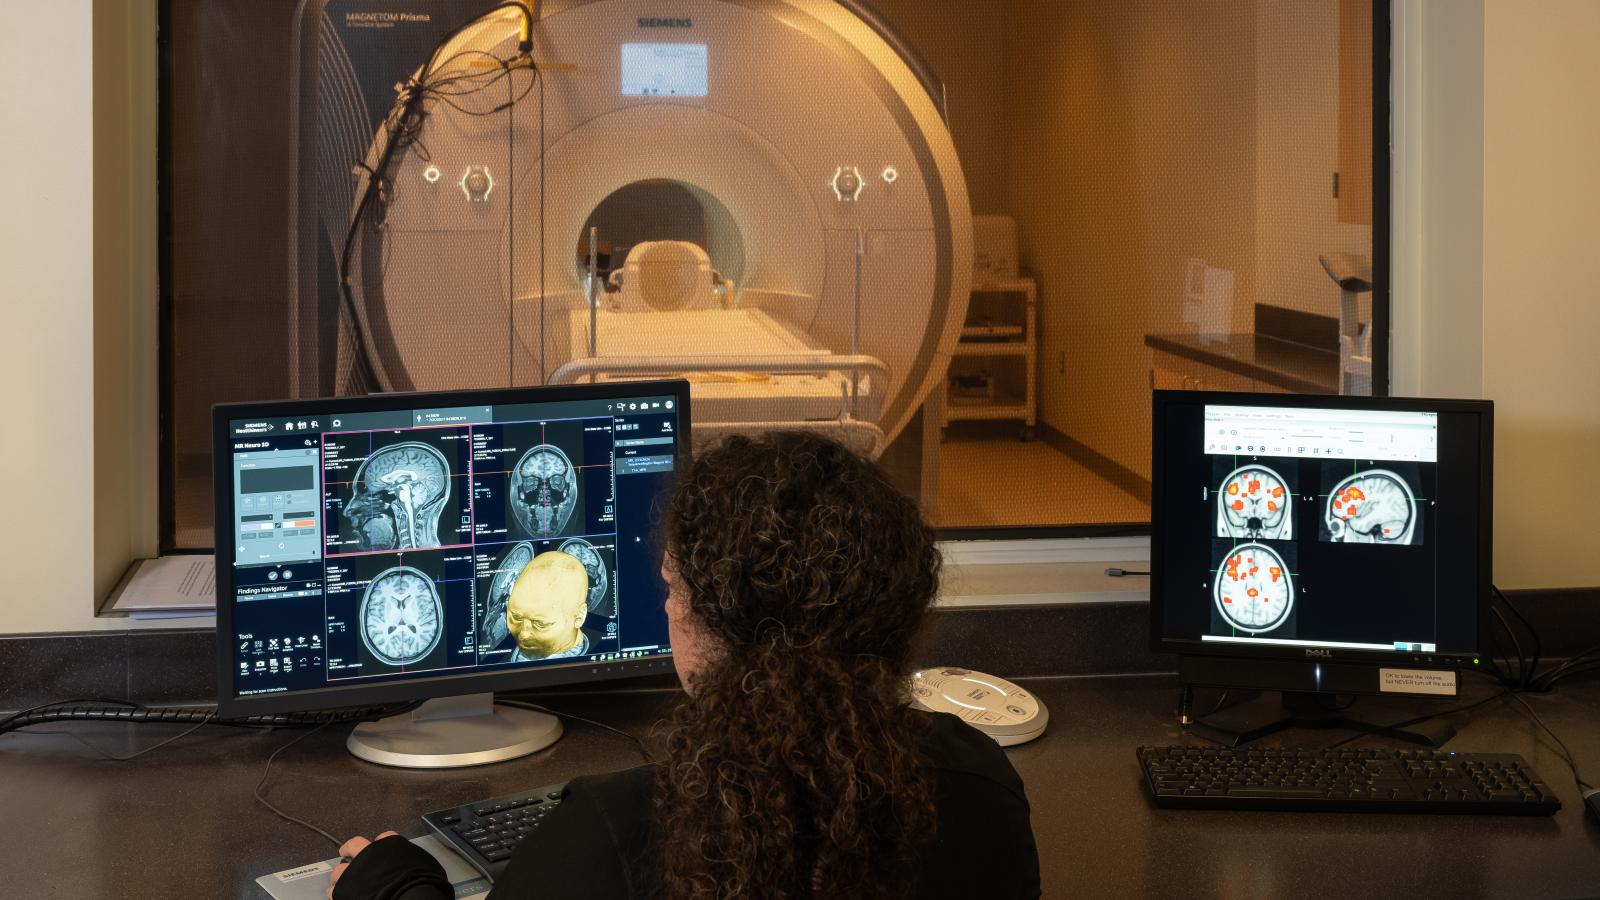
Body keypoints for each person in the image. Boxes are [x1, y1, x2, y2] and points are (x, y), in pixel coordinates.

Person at [330, 431, 1041, 899]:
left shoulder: (618, 839)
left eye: (672, 586)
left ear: (708, 631)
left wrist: (394, 887)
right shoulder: (979, 788)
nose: (666, 605)